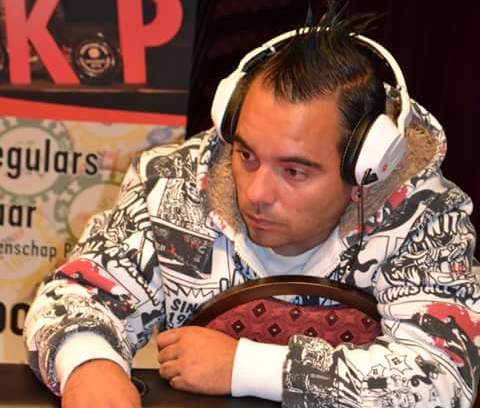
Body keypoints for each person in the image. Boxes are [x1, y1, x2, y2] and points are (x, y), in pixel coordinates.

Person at [24, 5, 479, 408]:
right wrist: (89, 366)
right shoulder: (174, 183)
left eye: (294, 171)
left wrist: (245, 367)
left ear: (365, 169)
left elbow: (443, 377)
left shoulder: (425, 217)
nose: (257, 193)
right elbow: (75, 297)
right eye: (246, 155)